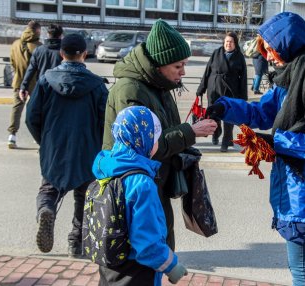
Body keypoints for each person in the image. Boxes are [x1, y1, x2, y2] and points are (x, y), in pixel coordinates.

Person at [205, 12, 305, 286]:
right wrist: (226, 107)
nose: (268, 57)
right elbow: (263, 112)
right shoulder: (291, 80)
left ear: (288, 46)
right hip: (292, 192)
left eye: (270, 50)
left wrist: (276, 142)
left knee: (303, 270)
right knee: (300, 268)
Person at [102, 19, 218, 251]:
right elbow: (141, 149)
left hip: (154, 182)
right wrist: (190, 132)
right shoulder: (131, 90)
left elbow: (162, 131)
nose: (183, 72)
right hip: (135, 187)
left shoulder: (157, 84)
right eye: (178, 66)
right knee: (147, 250)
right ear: (159, 63)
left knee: (160, 243)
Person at [25, 33, 108, 258]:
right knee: (84, 196)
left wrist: (45, 141)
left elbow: (31, 117)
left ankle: (46, 210)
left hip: (55, 147)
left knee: (49, 189)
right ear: (85, 54)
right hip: (87, 150)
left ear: (61, 54)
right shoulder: (97, 85)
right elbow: (105, 120)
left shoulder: (45, 81)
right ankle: (76, 243)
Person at [95, 106, 188, 285]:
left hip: (109, 265)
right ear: (142, 139)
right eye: (155, 137)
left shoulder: (106, 166)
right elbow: (147, 242)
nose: (157, 142)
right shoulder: (141, 183)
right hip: (137, 272)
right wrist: (171, 266)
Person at [196, 32, 248, 152]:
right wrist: (201, 89)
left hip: (230, 90)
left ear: (235, 43)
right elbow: (207, 71)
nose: (228, 44)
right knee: (214, 115)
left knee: (229, 117)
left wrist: (242, 96)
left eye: (231, 42)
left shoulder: (239, 57)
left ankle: (225, 141)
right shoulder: (216, 53)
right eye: (226, 42)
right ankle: (216, 131)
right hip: (214, 88)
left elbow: (243, 78)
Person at [7, 20, 42, 149]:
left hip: (18, 80)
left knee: (16, 109)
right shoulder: (39, 46)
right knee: (36, 110)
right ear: (37, 30)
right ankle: (37, 136)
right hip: (35, 83)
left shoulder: (15, 44)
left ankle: (12, 136)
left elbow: (12, 62)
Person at [19, 24, 64, 101]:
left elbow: (31, 70)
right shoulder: (65, 52)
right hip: (59, 90)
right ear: (61, 36)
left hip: (42, 89)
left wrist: (24, 87)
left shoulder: (38, 50)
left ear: (48, 34)